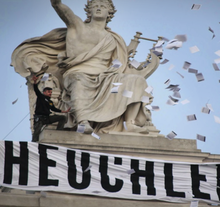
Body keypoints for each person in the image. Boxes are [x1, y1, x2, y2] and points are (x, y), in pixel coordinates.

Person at [49, 0, 152, 134]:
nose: (98, 8)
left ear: (109, 12)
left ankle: (130, 123)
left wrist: (117, 72)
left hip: (106, 75)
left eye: (102, 6)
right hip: (79, 71)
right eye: (95, 6)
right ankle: (82, 122)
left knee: (138, 81)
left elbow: (118, 63)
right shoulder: (77, 26)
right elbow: (60, 8)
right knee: (78, 81)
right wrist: (56, 3)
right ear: (89, 11)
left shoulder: (113, 38)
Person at [31, 75, 70, 142]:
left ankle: (58, 132)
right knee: (36, 133)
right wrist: (35, 82)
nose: (50, 93)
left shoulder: (50, 102)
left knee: (63, 118)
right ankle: (33, 144)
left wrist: (65, 111)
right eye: (49, 92)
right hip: (40, 119)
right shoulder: (41, 97)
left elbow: (54, 109)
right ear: (44, 92)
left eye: (51, 92)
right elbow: (36, 90)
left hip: (47, 118)